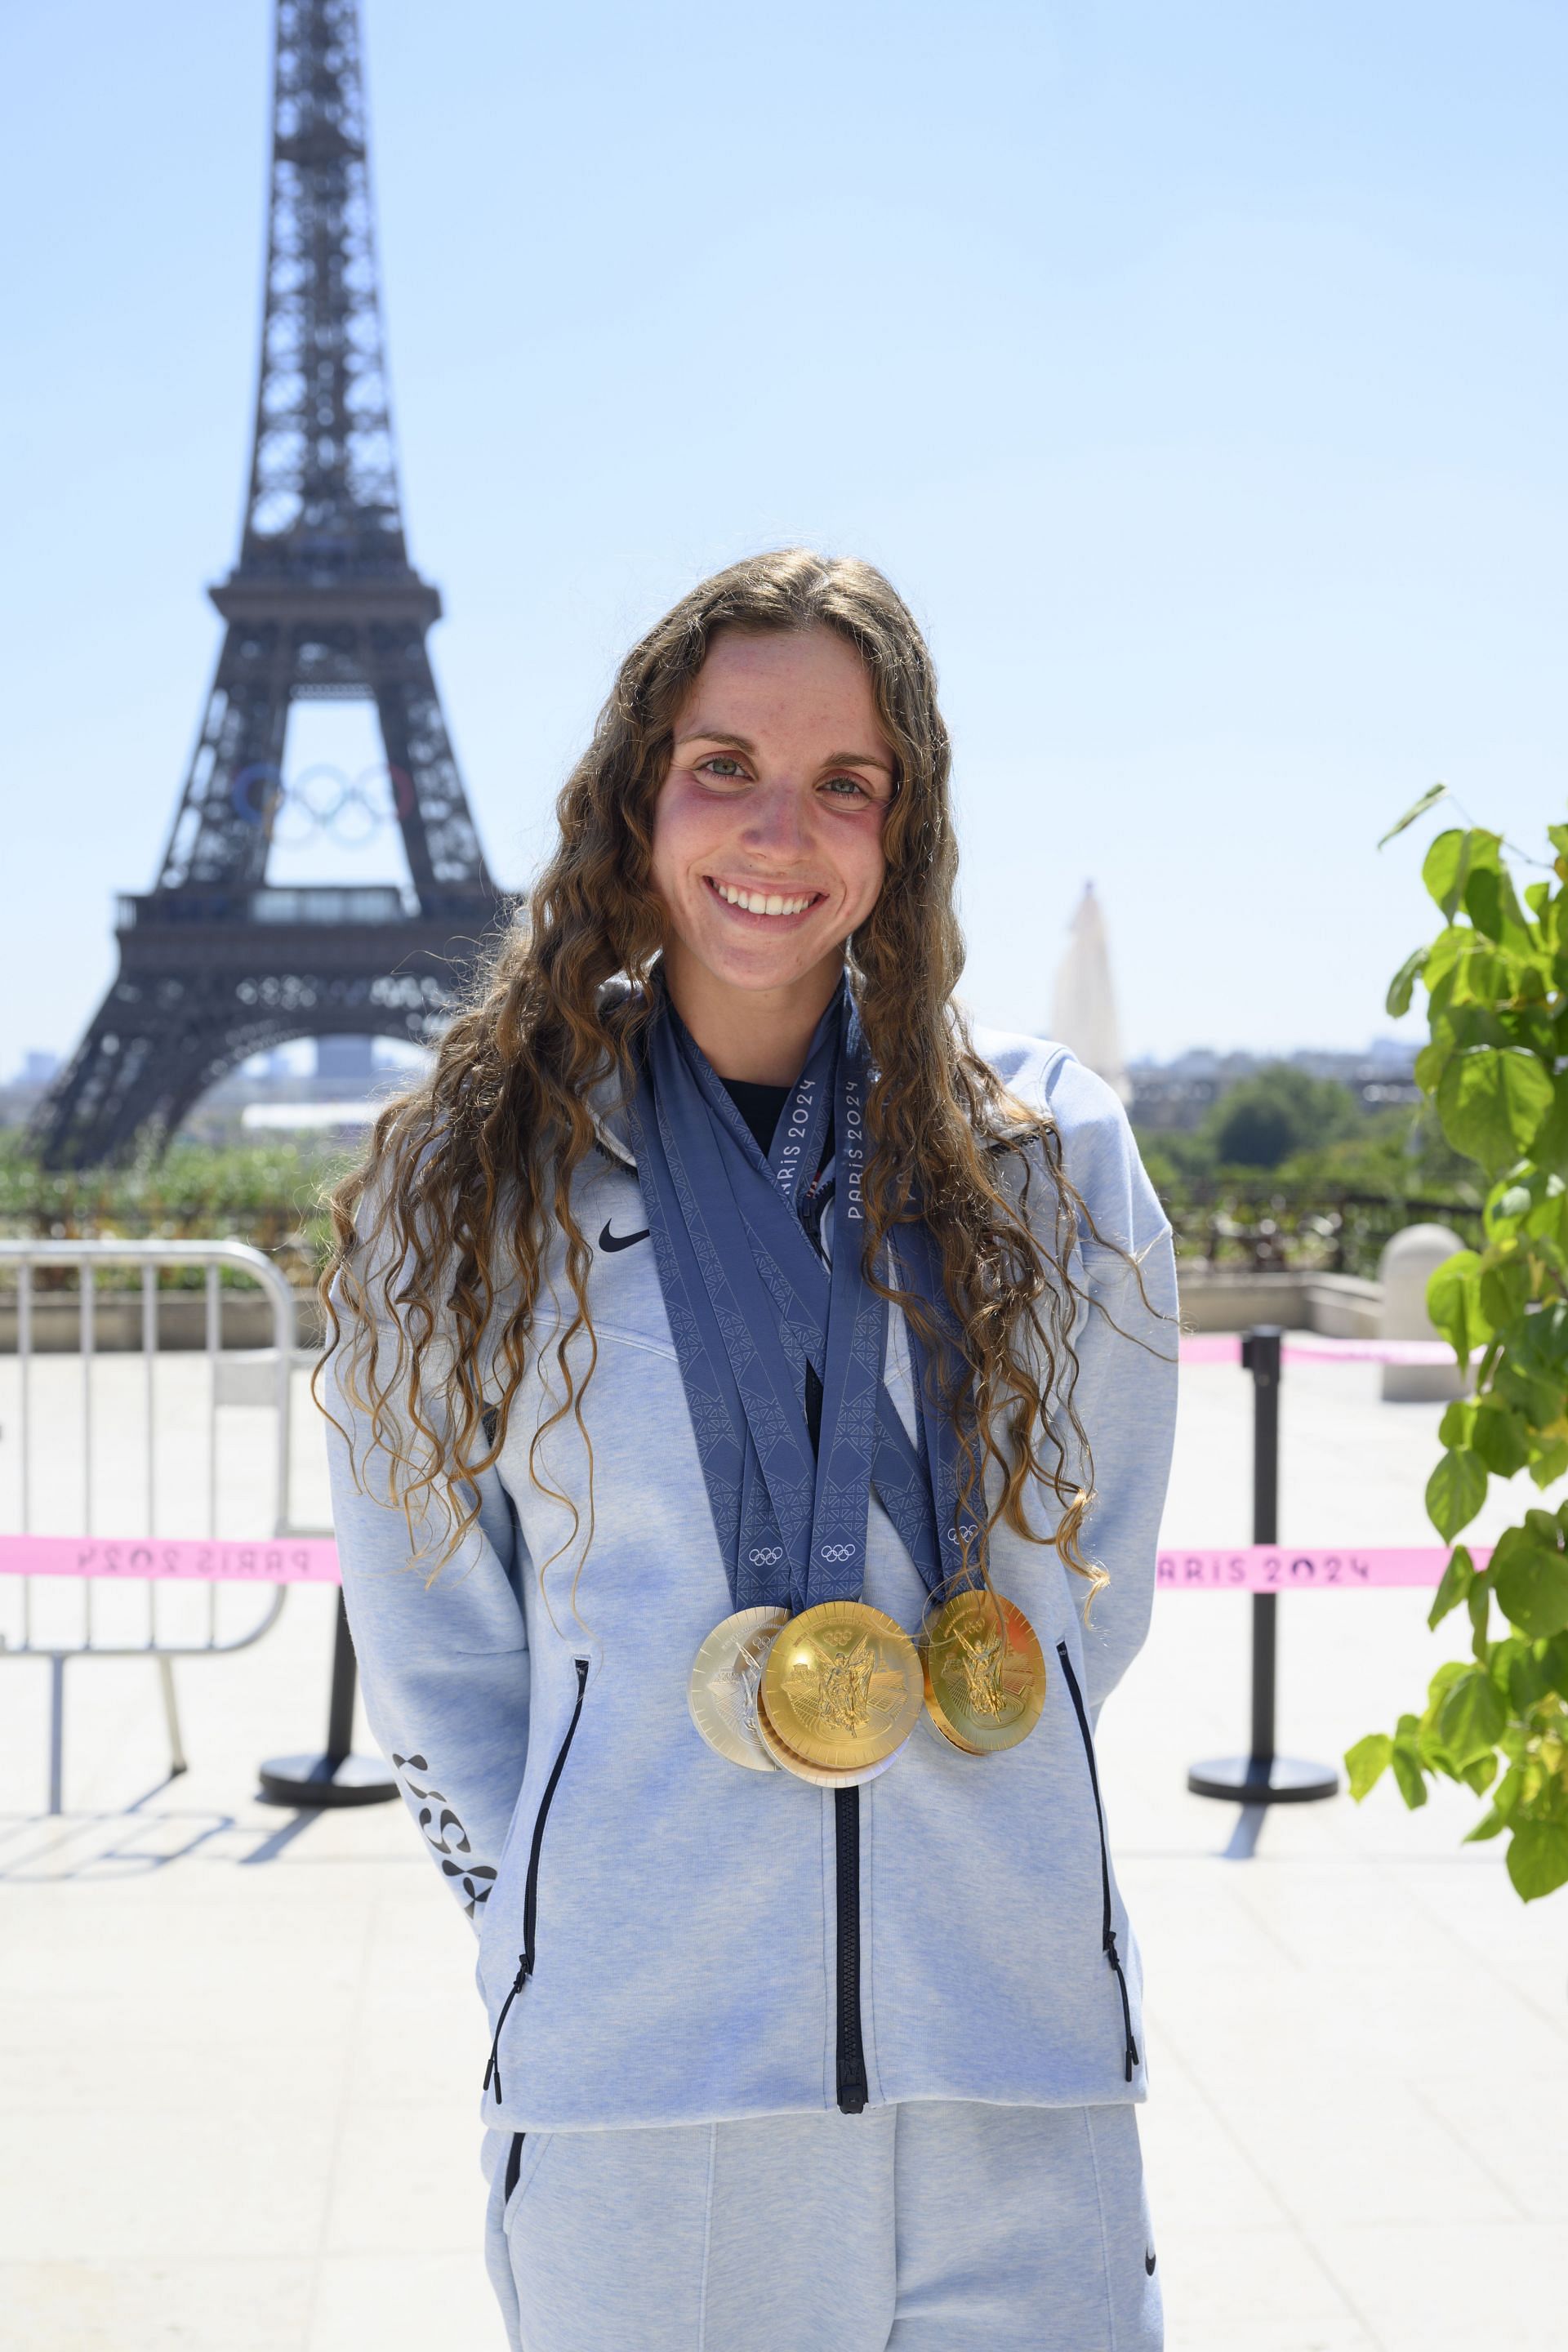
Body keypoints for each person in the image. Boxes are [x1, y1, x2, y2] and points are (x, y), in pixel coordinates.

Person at [319, 549, 1177, 2352]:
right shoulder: (460, 1189)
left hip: (1015, 2084)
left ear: (904, 823)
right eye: (724, 764)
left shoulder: (1055, 1159)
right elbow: (440, 1668)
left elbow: (1092, 1597)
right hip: (648, 2099)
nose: (777, 827)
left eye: (842, 781)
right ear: (638, 796)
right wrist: (562, 1933)